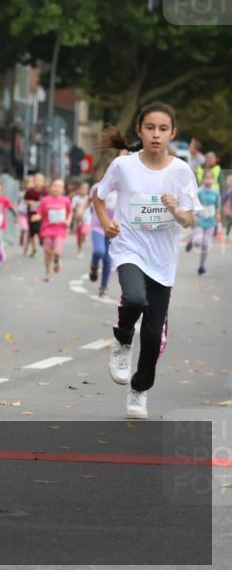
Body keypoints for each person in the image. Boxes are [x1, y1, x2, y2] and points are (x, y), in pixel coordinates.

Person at [92, 102, 199, 420]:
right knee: (135, 298)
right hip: (129, 249)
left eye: (163, 129)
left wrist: (175, 210)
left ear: (173, 133)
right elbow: (98, 195)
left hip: (163, 261)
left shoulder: (180, 171)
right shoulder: (124, 167)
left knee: (153, 338)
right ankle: (122, 339)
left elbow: (188, 220)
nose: (156, 134)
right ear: (140, 131)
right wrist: (106, 221)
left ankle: (139, 390)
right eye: (150, 128)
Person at [34, 177, 72, 281]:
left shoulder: (66, 200)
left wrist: (68, 221)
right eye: (55, 186)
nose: (57, 188)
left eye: (60, 187)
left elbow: (70, 212)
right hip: (47, 230)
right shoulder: (45, 200)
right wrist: (36, 217)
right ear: (50, 187)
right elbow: (40, 212)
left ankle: (57, 260)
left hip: (60, 230)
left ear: (63, 190)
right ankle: (48, 272)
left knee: (57, 252)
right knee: (47, 252)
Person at [89, 173, 117, 299]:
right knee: (99, 251)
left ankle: (103, 287)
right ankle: (94, 265)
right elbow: (89, 200)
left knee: (107, 259)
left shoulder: (121, 189)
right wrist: (80, 211)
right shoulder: (97, 187)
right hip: (98, 226)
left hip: (113, 228)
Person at [191, 169, 222, 275]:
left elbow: (218, 206)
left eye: (210, 178)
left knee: (207, 245)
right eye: (206, 178)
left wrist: (218, 216)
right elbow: (194, 206)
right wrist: (194, 217)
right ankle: (192, 241)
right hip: (199, 220)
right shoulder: (199, 192)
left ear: (214, 180)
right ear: (203, 179)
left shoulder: (216, 192)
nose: (208, 180)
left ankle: (201, 267)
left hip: (211, 222)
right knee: (198, 242)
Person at [23, 172, 47, 257]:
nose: (38, 182)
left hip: (41, 215)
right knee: (32, 233)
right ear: (34, 181)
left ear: (43, 181)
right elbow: (25, 201)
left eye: (40, 180)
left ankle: (42, 242)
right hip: (32, 215)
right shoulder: (30, 191)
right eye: (36, 180)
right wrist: (30, 202)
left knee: (41, 230)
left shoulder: (45, 191)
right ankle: (34, 249)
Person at [72, 181, 92, 256]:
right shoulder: (75, 198)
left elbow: (93, 207)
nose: (84, 190)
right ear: (79, 189)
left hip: (87, 218)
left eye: (85, 189)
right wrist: (75, 206)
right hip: (78, 220)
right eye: (82, 188)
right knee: (79, 238)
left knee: (84, 232)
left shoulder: (89, 198)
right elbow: (72, 208)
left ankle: (85, 235)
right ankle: (80, 251)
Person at [17, 175, 33, 246]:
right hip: (22, 213)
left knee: (30, 230)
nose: (30, 184)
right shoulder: (21, 193)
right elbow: (18, 203)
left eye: (32, 182)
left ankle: (27, 243)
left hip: (30, 213)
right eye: (29, 183)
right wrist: (17, 215)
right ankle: (22, 235)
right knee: (24, 228)